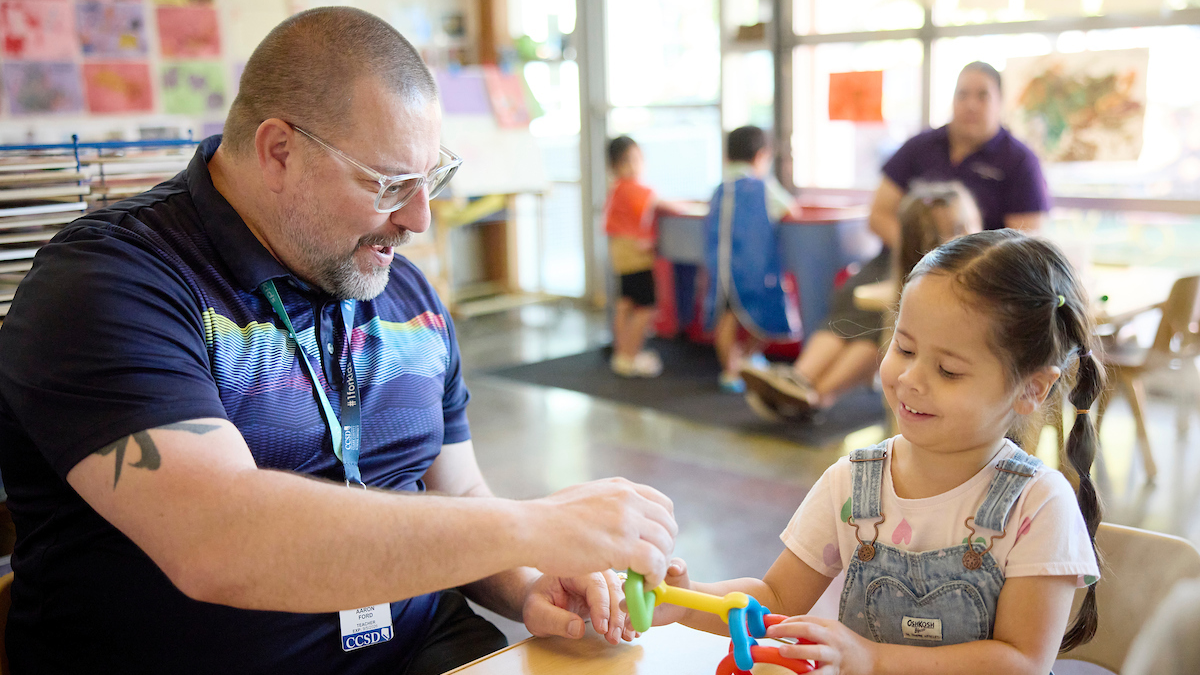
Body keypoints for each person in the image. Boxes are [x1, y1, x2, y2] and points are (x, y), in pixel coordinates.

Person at [0, 8, 678, 674]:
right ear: (278, 151)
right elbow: (219, 539)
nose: (418, 219)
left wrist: (529, 581)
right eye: (388, 184)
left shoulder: (401, 291)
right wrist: (535, 524)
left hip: (422, 645)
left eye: (430, 178)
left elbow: (459, 493)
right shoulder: (111, 283)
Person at [657, 229, 1104, 675]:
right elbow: (775, 598)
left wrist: (873, 659)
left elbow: (1021, 661)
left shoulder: (1039, 505)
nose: (910, 377)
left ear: (1032, 388)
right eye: (903, 347)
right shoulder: (854, 482)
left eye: (948, 370)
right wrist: (684, 601)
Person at [741, 181, 982, 419]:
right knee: (852, 307)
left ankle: (812, 395)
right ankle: (798, 380)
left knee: (879, 323)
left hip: (922, 276)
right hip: (896, 263)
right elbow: (878, 216)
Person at [871, 61, 1050, 245]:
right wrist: (917, 256)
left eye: (982, 96)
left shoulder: (1021, 162)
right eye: (962, 95)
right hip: (905, 261)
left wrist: (954, 264)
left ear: (1000, 102)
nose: (970, 104)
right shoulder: (918, 146)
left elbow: (1022, 246)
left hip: (981, 269)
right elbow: (879, 215)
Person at [701, 125, 801, 392]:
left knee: (726, 315)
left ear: (727, 157)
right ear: (761, 156)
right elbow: (790, 209)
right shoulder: (761, 187)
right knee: (765, 313)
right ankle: (747, 357)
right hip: (752, 269)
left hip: (720, 267)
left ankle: (730, 371)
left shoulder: (720, 189)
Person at [604, 136, 663, 378]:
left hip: (620, 254)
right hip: (635, 255)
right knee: (645, 306)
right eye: (627, 161)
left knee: (625, 302)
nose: (634, 165)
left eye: (637, 159)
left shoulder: (616, 189)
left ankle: (622, 354)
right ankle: (630, 355)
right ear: (615, 166)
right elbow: (659, 204)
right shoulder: (636, 190)